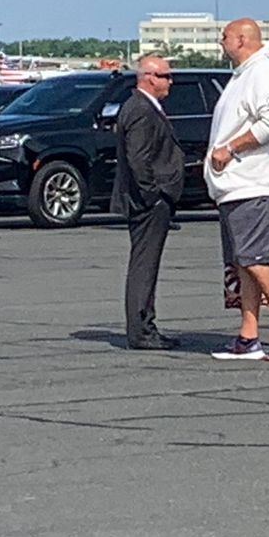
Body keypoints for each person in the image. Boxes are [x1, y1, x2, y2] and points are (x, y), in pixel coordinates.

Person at [205, 18, 269, 362]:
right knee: (242, 262)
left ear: (243, 39)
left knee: (257, 257)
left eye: (225, 37)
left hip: (257, 183)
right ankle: (249, 336)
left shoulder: (264, 72)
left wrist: (230, 149)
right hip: (237, 185)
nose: (221, 42)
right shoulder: (244, 74)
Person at [110, 55, 184, 350]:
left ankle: (146, 325)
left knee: (147, 264)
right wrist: (154, 195)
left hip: (152, 199)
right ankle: (141, 330)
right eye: (166, 76)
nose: (170, 81)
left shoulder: (144, 106)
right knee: (144, 264)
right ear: (149, 77)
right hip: (147, 202)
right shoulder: (140, 109)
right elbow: (138, 158)